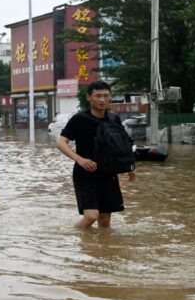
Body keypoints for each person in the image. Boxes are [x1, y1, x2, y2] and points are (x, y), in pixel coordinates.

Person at [56, 80, 136, 228]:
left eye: (106, 96)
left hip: (108, 173)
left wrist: (129, 166)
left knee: (105, 219)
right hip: (86, 173)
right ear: (88, 97)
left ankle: (102, 248)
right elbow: (61, 142)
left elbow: (123, 144)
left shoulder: (113, 118)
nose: (102, 100)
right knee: (91, 216)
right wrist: (79, 159)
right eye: (98, 96)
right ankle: (72, 238)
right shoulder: (79, 119)